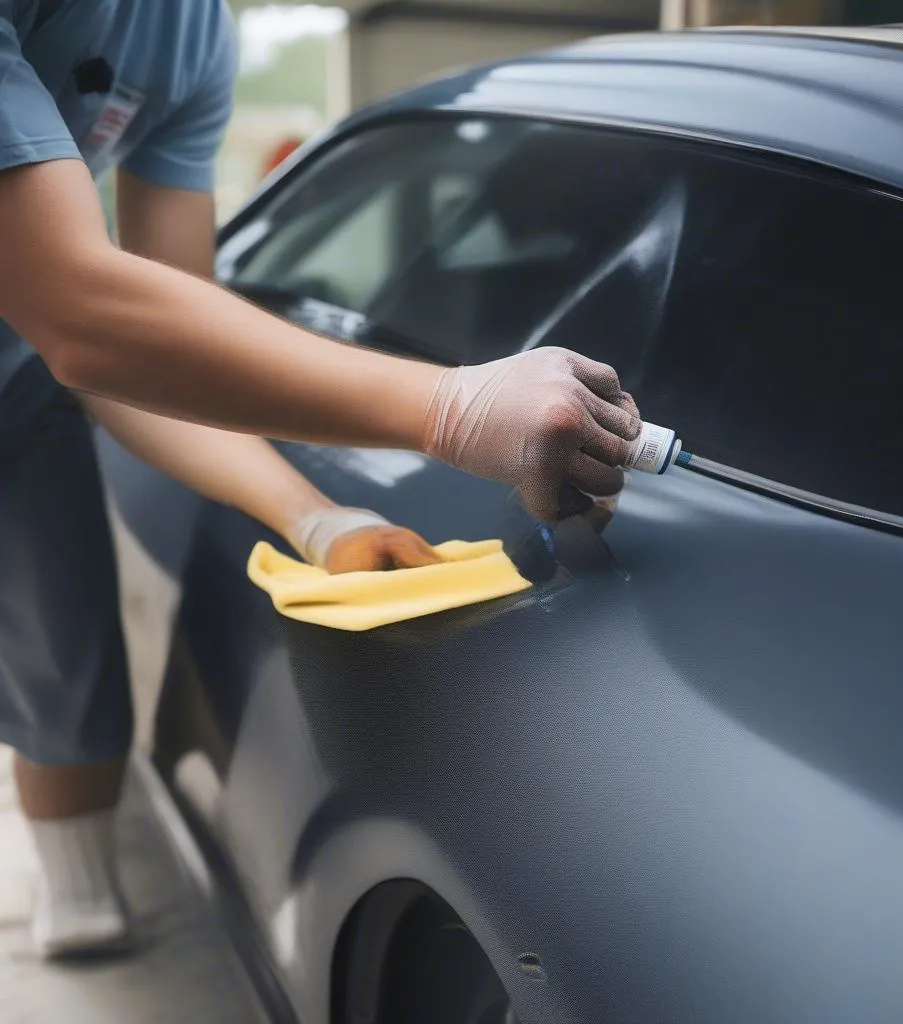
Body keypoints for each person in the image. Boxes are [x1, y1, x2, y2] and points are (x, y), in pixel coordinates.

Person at [0, 0, 640, 959]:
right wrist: (450, 407)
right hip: (44, 336)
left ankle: (79, 895)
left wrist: (316, 520)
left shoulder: (191, 33)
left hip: (22, 377)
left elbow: (155, 364)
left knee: (64, 654)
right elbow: (82, 311)